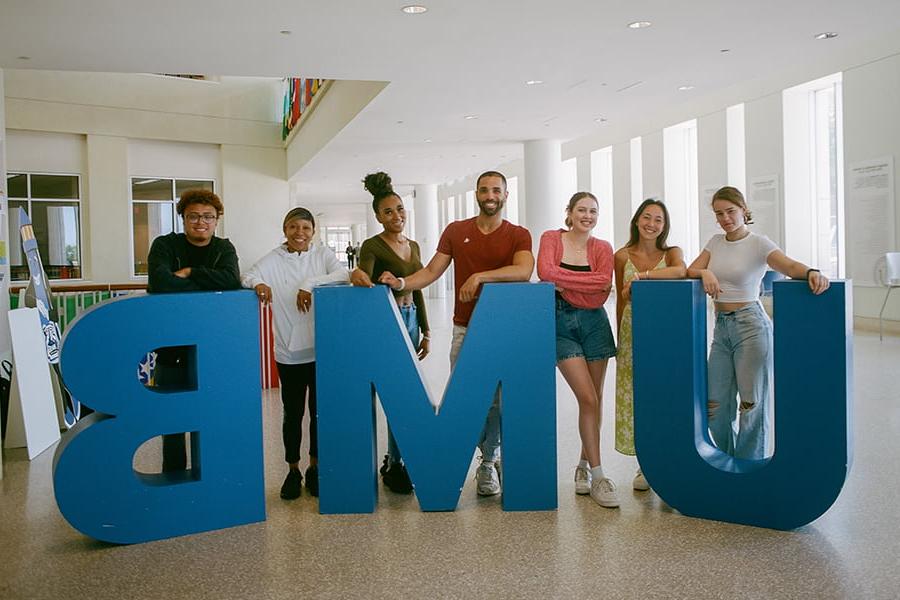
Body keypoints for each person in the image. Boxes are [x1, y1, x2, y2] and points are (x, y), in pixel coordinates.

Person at [379, 171, 533, 496]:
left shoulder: (518, 234)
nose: (490, 195)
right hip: (465, 331)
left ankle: (489, 462)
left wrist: (479, 277)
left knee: (501, 402)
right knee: (471, 402)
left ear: (505, 195)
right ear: (476, 194)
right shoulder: (456, 231)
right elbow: (432, 271)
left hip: (504, 331)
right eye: (484, 189)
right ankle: (489, 456)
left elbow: (524, 270)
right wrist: (403, 283)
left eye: (496, 190)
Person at [687, 186, 829, 460]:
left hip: (751, 326)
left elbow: (788, 266)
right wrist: (704, 271)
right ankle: (725, 462)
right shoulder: (715, 242)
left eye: (730, 211)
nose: (725, 218)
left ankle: (748, 467)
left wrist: (811, 271)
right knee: (715, 406)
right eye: (719, 214)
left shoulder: (759, 243)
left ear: (743, 210)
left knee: (751, 406)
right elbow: (689, 269)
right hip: (721, 328)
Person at [242, 207, 349, 499]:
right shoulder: (274, 259)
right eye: (293, 227)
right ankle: (293, 470)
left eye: (305, 227)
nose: (299, 233)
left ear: (313, 231)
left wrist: (309, 283)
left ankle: (315, 467)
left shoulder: (321, 255)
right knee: (292, 414)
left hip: (320, 351)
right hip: (288, 353)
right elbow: (248, 275)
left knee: (318, 413)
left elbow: (343, 274)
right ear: (284, 229)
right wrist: (259, 283)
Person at [147, 188, 241, 472]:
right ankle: (174, 480)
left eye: (208, 217)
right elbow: (160, 283)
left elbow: (232, 280)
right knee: (173, 420)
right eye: (194, 216)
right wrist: (209, 283)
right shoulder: (165, 245)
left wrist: (190, 273)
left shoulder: (224, 248)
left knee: (211, 415)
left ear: (217, 219)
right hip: (171, 347)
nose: (201, 222)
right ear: (183, 218)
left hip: (211, 348)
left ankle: (210, 481)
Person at [537, 192, 619, 507]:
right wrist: (587, 284)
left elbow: (603, 288)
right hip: (560, 324)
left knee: (595, 401)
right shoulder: (551, 238)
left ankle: (584, 467)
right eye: (581, 210)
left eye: (593, 211)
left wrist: (566, 283)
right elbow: (546, 272)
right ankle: (600, 478)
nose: (587, 216)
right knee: (586, 397)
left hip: (595, 324)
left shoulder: (602, 248)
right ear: (569, 213)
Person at [350, 172, 430, 494]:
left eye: (399, 209)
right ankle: (394, 462)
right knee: (397, 392)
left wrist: (426, 329)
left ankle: (400, 456)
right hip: (389, 320)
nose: (396, 216)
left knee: (409, 392)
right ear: (377, 216)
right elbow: (364, 277)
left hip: (411, 318)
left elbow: (420, 285)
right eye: (388, 212)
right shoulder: (372, 245)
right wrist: (356, 272)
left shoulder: (412, 245)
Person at [613, 199, 686, 490]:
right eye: (647, 217)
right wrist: (620, 340)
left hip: (664, 335)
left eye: (658, 219)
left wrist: (642, 277)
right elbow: (620, 299)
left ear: (664, 226)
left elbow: (680, 272)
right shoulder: (621, 256)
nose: (651, 224)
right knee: (637, 397)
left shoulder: (671, 253)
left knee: (663, 394)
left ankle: (666, 458)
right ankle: (645, 464)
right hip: (632, 333)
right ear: (636, 220)